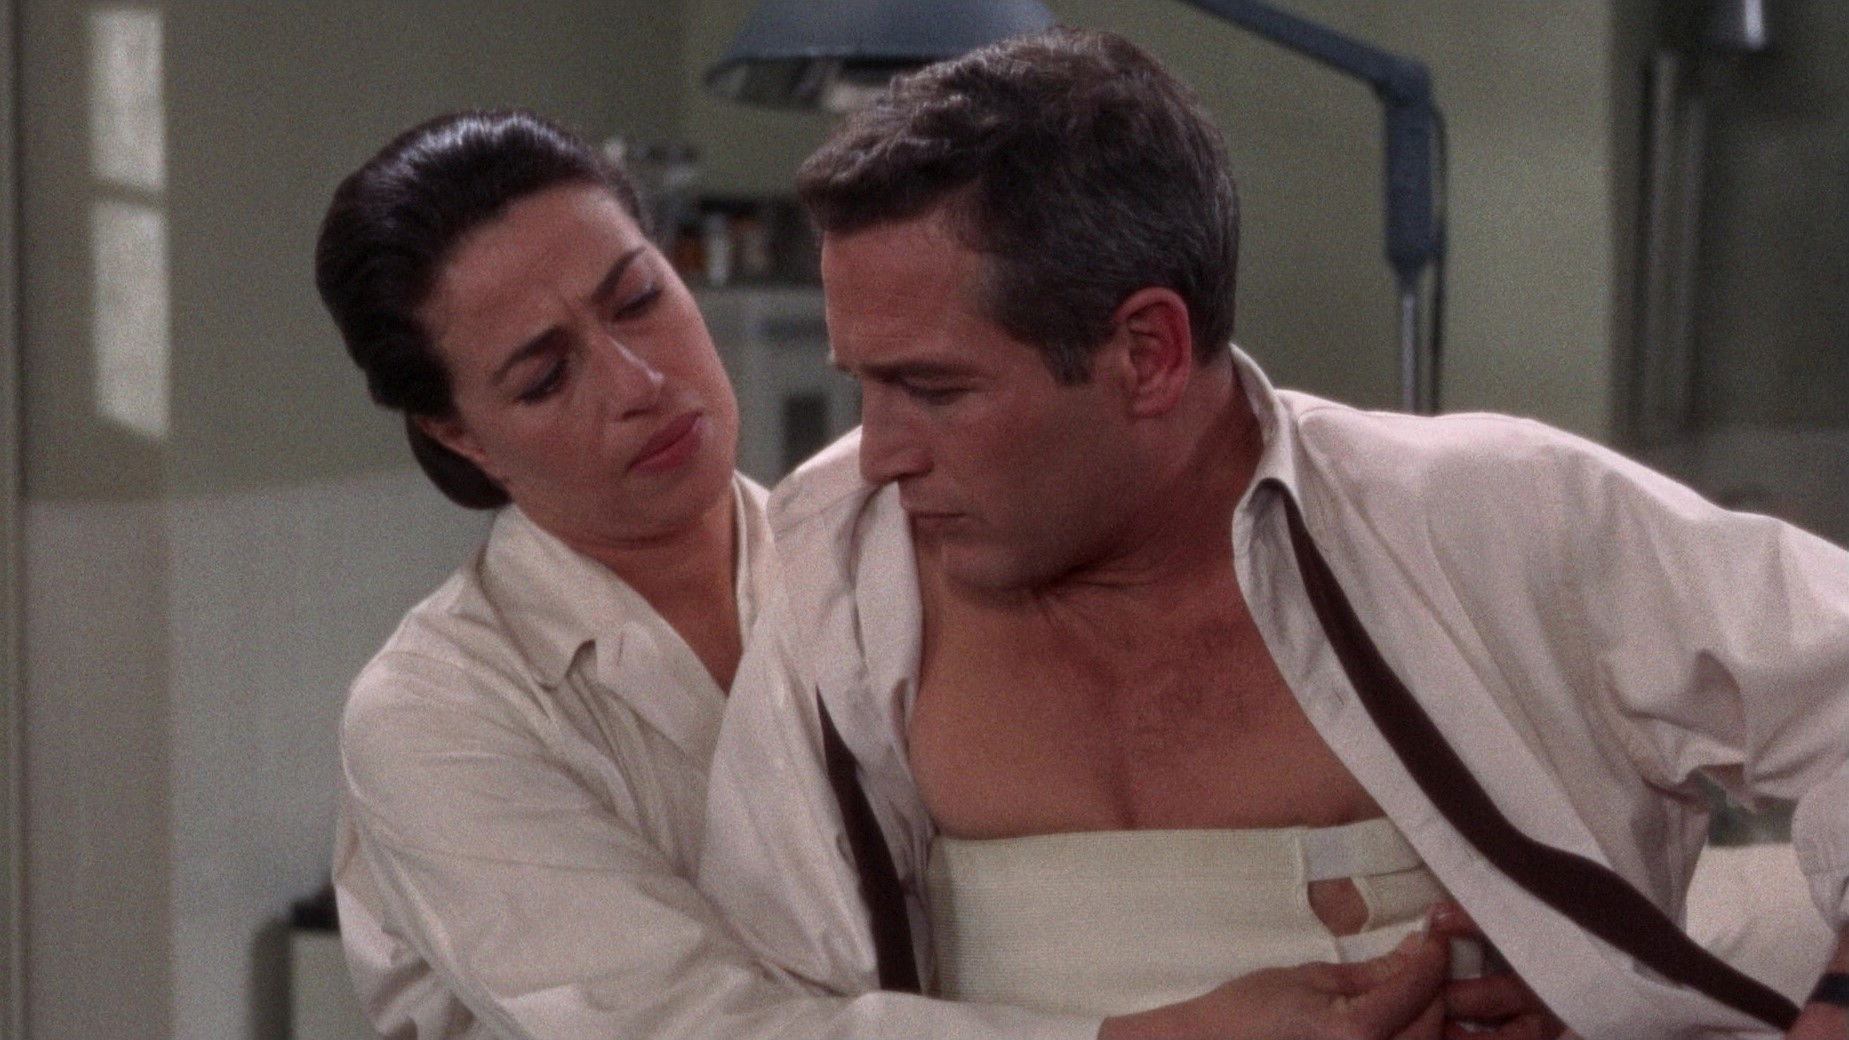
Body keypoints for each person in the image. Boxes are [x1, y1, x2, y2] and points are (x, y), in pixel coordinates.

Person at [697, 27, 1849, 1040]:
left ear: (1146, 353)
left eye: (934, 389)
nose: (881, 450)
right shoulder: (842, 571)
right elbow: (747, 1009)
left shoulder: (1483, 513)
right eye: (861, 383)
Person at [315, 107, 1455, 1040]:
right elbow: (686, 1028)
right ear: (458, 434)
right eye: (544, 377)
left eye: (638, 300)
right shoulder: (436, 713)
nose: (638, 382)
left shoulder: (876, 553)